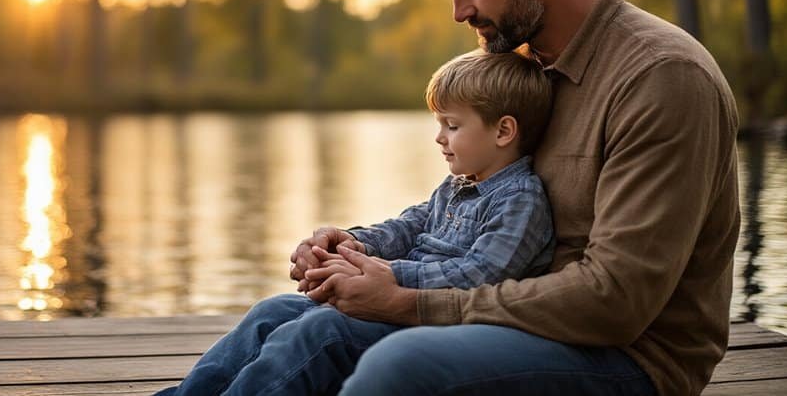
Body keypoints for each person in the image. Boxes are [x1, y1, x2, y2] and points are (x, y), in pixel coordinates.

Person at [297, 0, 740, 396]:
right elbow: (459, 214)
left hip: (628, 358)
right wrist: (356, 251)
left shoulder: (661, 78)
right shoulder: (521, 64)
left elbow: (615, 301)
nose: (459, 11)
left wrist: (407, 302)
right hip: (509, 318)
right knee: (287, 319)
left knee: (403, 366)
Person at [157, 50, 557, 395]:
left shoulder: (520, 200)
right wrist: (354, 246)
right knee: (274, 310)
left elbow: (480, 275)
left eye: (452, 126)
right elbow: (408, 226)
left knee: (321, 332)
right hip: (392, 300)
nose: (439, 137)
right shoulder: (459, 185)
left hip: (436, 324)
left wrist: (382, 275)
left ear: (504, 130)